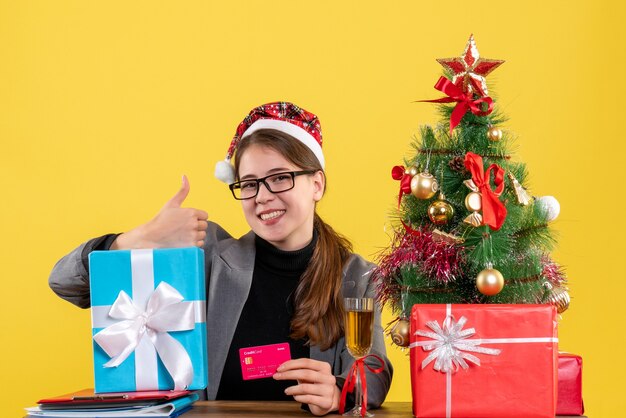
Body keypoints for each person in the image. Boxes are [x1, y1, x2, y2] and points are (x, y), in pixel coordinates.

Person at [49, 101, 393, 416]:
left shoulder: (357, 276)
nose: (262, 197)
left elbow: (375, 372)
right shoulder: (206, 255)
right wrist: (139, 239)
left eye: (280, 178)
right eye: (249, 183)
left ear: (316, 184)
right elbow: (65, 282)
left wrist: (340, 391)